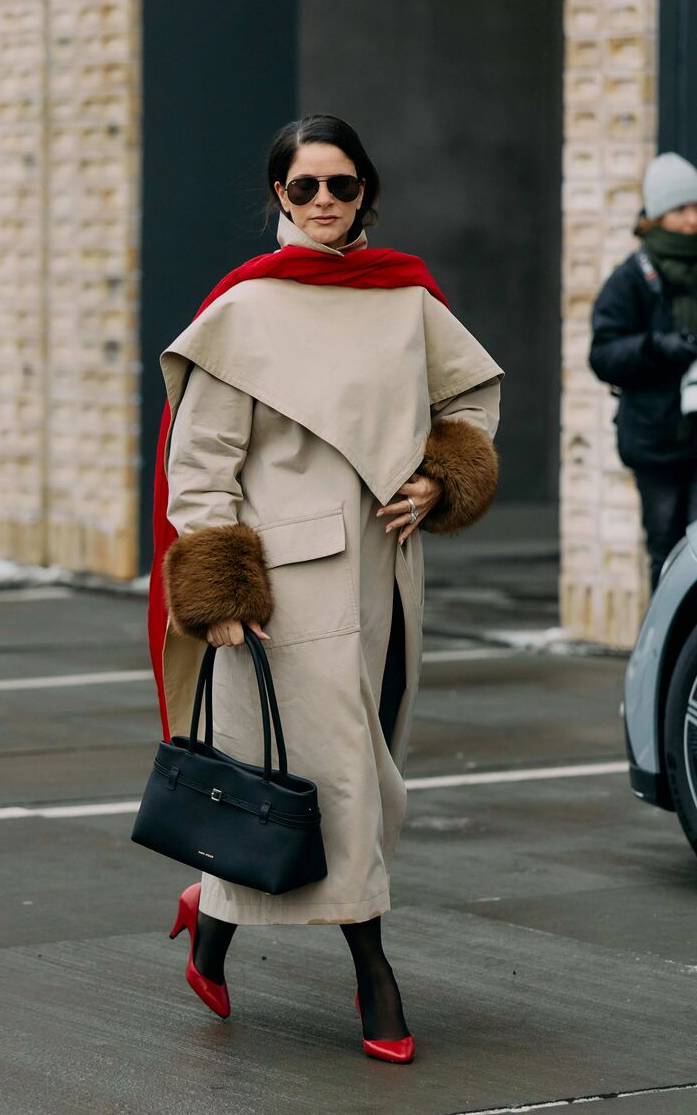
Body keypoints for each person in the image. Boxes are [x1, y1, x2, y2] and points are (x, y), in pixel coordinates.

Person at [148, 115, 502, 1064]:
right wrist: (218, 588)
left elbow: (469, 399)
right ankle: (375, 980)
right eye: (303, 187)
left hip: (388, 578)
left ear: (364, 193)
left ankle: (211, 911)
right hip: (281, 593)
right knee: (340, 783)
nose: (323, 204)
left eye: (340, 186)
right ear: (278, 194)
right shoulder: (246, 309)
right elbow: (202, 462)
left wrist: (444, 474)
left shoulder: (404, 296)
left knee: (336, 775)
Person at [590, 152, 697, 591]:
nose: (692, 219)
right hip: (657, 441)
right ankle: (669, 653)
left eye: (696, 207)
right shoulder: (631, 278)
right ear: (656, 215)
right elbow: (604, 355)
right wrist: (658, 348)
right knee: (669, 551)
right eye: (681, 209)